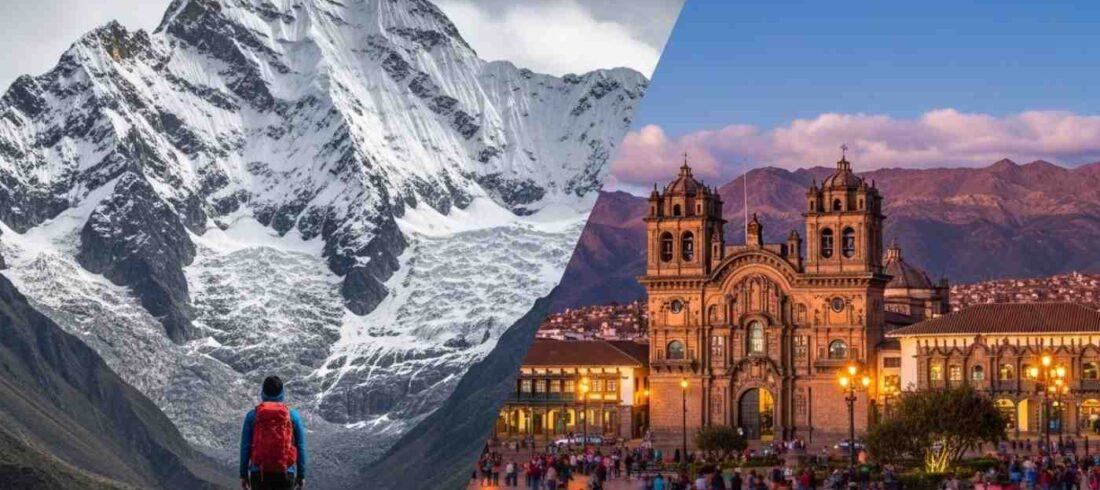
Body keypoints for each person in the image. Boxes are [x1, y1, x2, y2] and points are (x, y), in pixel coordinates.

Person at [240, 376, 307, 490]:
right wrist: (301, 475)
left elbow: (245, 447)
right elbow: (300, 446)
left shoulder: (252, 415)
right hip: (286, 472)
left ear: (263, 392)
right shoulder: (292, 415)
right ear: (282, 393)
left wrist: (243, 474)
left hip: (259, 473)